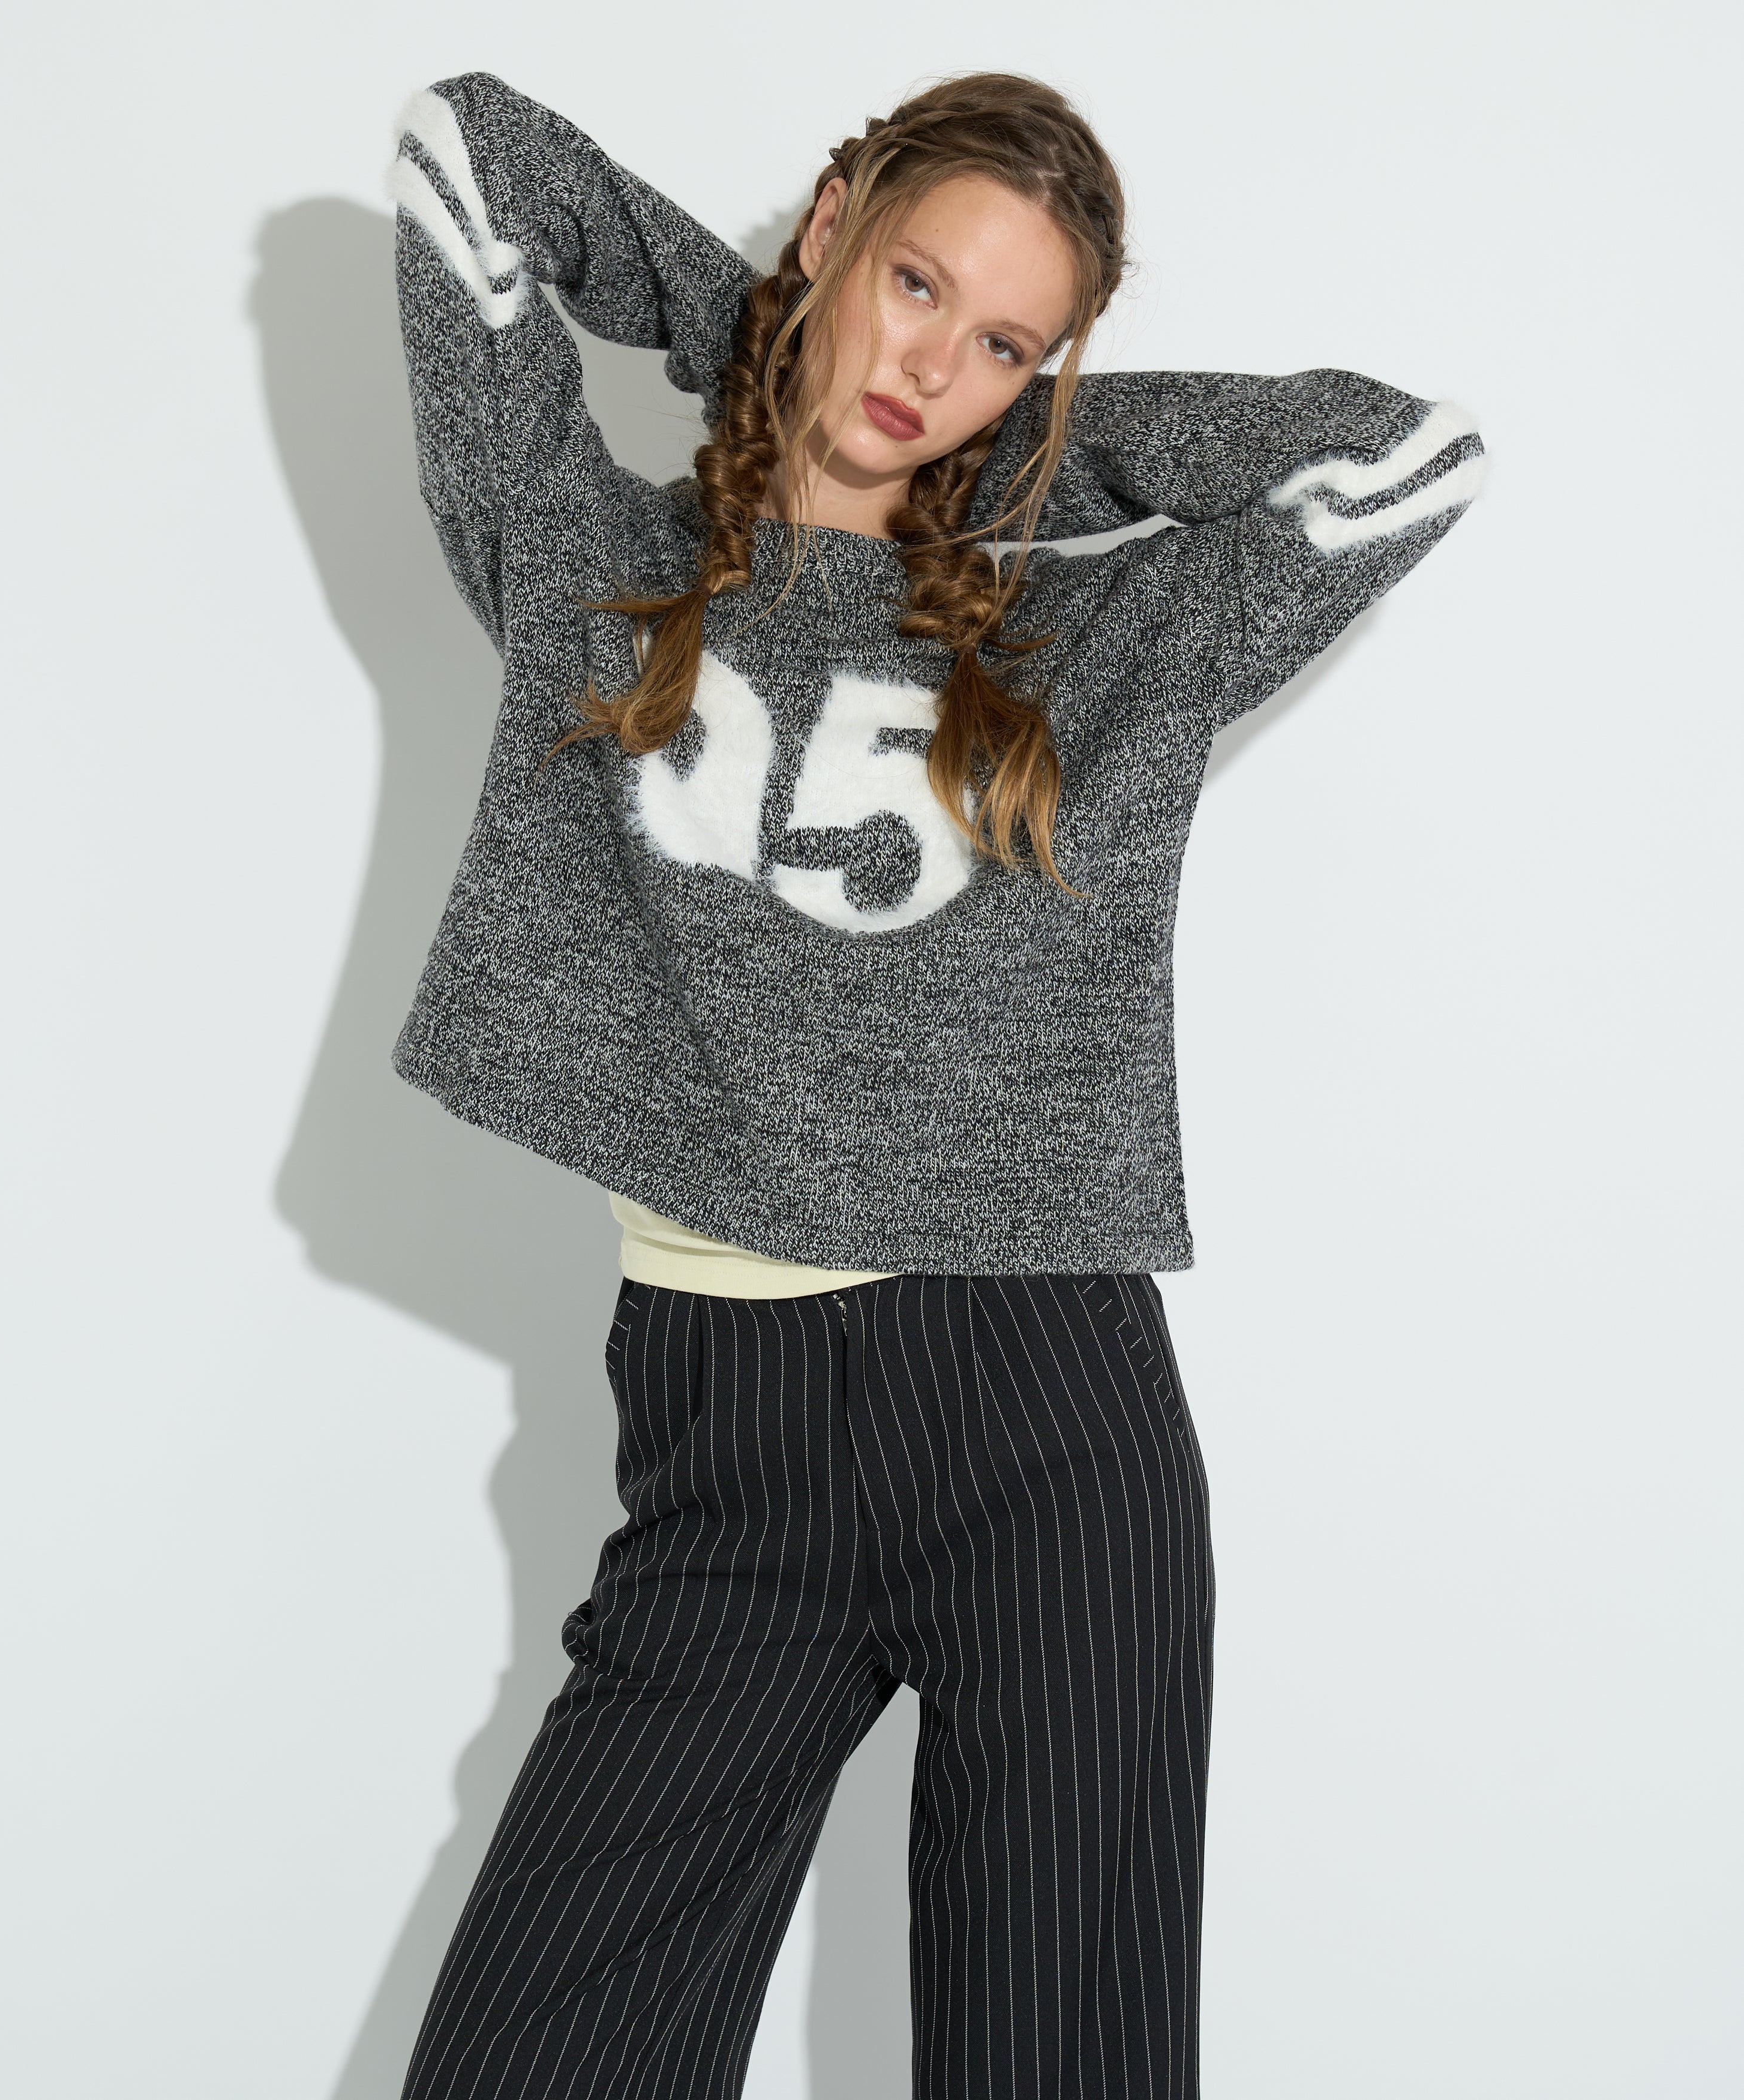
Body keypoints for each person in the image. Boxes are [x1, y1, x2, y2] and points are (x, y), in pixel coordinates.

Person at [383, 64, 1485, 2100]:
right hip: (719, 1440)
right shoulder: (590, 565)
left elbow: (1403, 459)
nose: (928, 367)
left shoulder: (1084, 637)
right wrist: (766, 340)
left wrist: (1029, 454)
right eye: (913, 283)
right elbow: (470, 155)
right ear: (832, 229)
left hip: (1043, 1418)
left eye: (1003, 345)